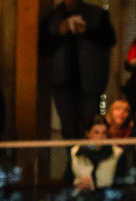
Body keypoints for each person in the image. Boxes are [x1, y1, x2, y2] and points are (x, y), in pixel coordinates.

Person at [39, 0, 117, 139]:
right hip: (63, 83)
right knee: (69, 129)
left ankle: (92, 157)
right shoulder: (52, 19)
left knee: (91, 126)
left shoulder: (97, 14)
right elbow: (44, 48)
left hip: (90, 83)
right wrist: (59, 33)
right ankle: (73, 159)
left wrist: (87, 31)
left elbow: (109, 39)